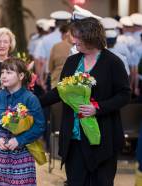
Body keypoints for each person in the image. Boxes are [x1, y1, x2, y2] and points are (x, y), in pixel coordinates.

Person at [39, 17, 130, 186]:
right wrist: (35, 103)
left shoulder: (113, 62)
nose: (74, 41)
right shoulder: (72, 61)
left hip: (103, 138)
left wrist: (98, 108)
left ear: (91, 37)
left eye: (78, 37)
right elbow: (60, 90)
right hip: (74, 138)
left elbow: (124, 95)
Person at [0, 57, 45, 186]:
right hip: (0, 153)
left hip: (23, 152)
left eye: (9, 72)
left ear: (21, 75)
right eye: (2, 72)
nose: (4, 76)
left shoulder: (30, 99)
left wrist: (19, 140)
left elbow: (39, 126)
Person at [48, 24, 72, 88]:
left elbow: (50, 67)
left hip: (57, 79)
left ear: (65, 34)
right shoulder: (77, 46)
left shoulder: (56, 46)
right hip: (72, 81)